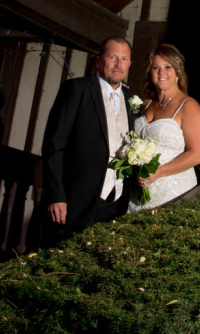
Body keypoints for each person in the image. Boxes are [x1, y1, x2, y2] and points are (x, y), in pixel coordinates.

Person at [41, 36, 137, 243]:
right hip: (75, 201)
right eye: (112, 57)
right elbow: (54, 145)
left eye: (124, 58)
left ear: (129, 64)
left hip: (116, 202)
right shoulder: (76, 90)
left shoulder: (132, 100)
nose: (118, 64)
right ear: (99, 60)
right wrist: (56, 195)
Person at [128, 43, 200, 211]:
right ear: (150, 73)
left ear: (177, 72)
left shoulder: (188, 106)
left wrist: (160, 172)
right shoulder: (145, 104)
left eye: (167, 67)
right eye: (155, 67)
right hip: (138, 192)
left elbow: (197, 155)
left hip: (173, 192)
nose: (161, 73)